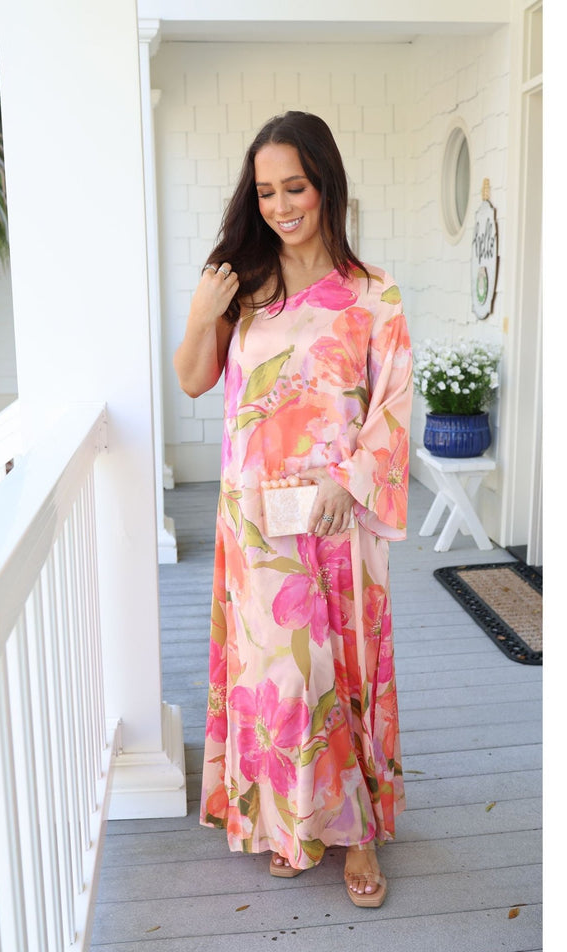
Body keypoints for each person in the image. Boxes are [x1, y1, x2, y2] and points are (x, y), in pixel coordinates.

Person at [174, 111, 413, 908]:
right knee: (279, 675)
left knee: (342, 669)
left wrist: (349, 481)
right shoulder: (241, 284)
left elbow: (393, 403)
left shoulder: (373, 293)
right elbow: (194, 379)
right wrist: (203, 312)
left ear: (326, 186)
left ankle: (357, 832)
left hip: (339, 513)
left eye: (295, 188)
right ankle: (294, 825)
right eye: (266, 191)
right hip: (256, 520)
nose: (280, 205)